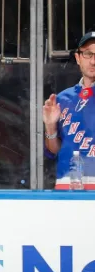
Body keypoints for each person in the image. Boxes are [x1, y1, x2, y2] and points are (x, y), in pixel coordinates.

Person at [44, 31, 95, 190]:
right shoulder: (62, 99)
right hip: (67, 187)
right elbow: (54, 150)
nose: (93, 61)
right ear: (78, 58)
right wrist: (51, 126)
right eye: (88, 54)